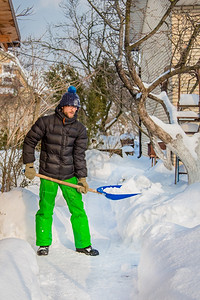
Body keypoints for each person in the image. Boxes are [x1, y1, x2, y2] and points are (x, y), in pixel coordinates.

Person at [23, 86, 99, 257]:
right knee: (45, 209)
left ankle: (83, 245)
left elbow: (79, 155)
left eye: (76, 107)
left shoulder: (79, 129)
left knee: (78, 209)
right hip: (47, 174)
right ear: (62, 106)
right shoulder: (46, 122)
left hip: (69, 175)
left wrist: (82, 178)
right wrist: (29, 164)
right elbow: (29, 141)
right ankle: (43, 244)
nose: (73, 109)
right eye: (70, 106)